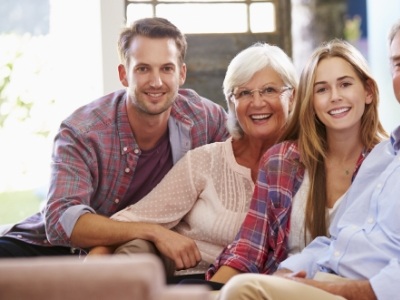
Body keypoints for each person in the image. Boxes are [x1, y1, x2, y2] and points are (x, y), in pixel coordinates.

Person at [215, 13, 400, 300]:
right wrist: (287, 274)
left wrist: (339, 290)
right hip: (324, 279)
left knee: (244, 292)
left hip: (366, 293)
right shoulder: (386, 156)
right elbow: (334, 241)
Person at [0, 17, 229, 258]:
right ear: (123, 74)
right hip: (56, 248)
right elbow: (62, 221)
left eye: (166, 68)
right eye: (143, 68)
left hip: (135, 253)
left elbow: (248, 155)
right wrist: (153, 232)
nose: (156, 81)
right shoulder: (83, 130)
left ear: (181, 73)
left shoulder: (204, 119)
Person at [88, 42, 298, 284]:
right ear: (231, 103)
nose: (257, 102)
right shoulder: (205, 161)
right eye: (244, 93)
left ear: (291, 97)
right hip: (188, 279)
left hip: (254, 286)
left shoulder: (307, 164)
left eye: (270, 90)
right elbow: (131, 221)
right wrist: (87, 278)